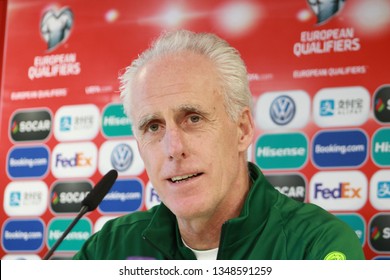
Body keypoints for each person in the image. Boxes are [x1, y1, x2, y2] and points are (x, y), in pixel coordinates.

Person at [73, 30, 365, 260]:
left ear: (242, 129)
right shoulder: (108, 249)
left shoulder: (317, 246)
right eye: (153, 126)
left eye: (194, 118)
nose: (173, 148)